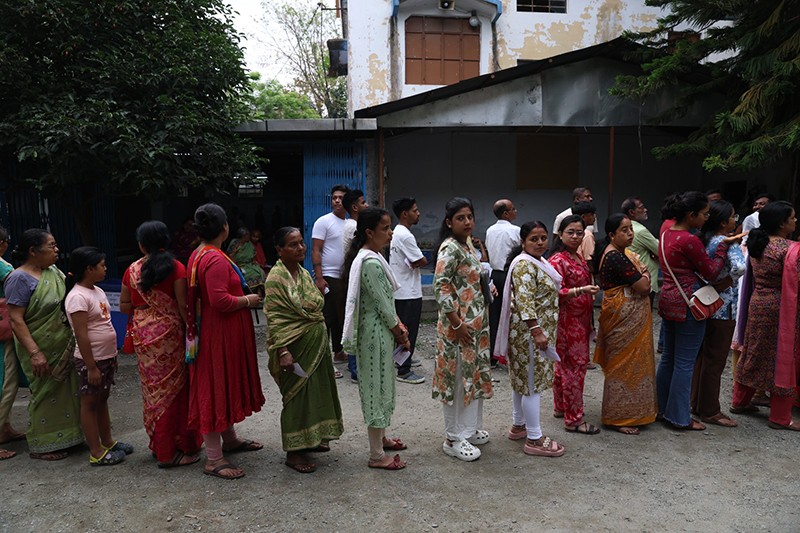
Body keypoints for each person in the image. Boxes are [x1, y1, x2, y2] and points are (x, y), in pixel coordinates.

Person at [186, 203, 265, 479]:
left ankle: (229, 439)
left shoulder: (200, 253)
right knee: (215, 387)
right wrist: (249, 300)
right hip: (218, 334)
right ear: (224, 228)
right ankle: (213, 458)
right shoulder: (216, 259)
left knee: (223, 385)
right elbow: (219, 300)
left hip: (213, 331)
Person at [120, 221, 202, 468]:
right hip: (170, 335)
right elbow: (182, 307)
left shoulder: (131, 270)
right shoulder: (177, 268)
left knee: (153, 393)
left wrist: (146, 309)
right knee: (176, 392)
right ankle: (175, 450)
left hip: (144, 337)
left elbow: (124, 306)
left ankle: (160, 447)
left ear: (141, 244)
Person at [657, 192, 740, 431]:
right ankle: (680, 417)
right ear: (691, 215)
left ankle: (663, 409)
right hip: (690, 304)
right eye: (704, 214)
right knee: (685, 362)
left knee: (669, 359)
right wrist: (724, 246)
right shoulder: (689, 240)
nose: (706, 218)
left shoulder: (666, 234)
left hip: (669, 300)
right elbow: (713, 272)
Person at [265, 227, 344, 473]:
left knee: (317, 392)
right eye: (293, 245)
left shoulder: (301, 272)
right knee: (297, 396)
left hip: (316, 346)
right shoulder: (276, 279)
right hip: (295, 349)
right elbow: (276, 319)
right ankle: (295, 452)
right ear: (279, 250)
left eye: (301, 243)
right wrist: (283, 352)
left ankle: (314, 437)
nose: (300, 248)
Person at [342, 208, 410, 470]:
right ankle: (375, 454)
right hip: (375, 333)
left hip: (379, 331)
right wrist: (400, 332)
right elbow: (383, 305)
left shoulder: (373, 258)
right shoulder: (370, 263)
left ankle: (381, 439)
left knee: (382, 383)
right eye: (385, 228)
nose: (390, 232)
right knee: (375, 388)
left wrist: (396, 327)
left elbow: (385, 303)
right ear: (370, 232)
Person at [6, 229, 82, 460]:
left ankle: (70, 435)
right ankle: (42, 444)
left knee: (70, 390)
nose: (56, 250)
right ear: (33, 250)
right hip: (39, 346)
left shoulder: (53, 272)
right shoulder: (19, 278)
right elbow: (15, 318)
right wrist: (35, 352)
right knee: (44, 392)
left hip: (62, 345)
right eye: (51, 246)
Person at [494, 221, 565, 457]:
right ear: (523, 242)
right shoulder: (525, 265)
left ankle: (519, 425)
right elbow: (524, 301)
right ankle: (534, 438)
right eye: (534, 239)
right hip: (530, 334)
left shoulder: (540, 262)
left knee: (523, 381)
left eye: (543, 238)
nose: (540, 243)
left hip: (531, 332)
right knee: (532, 384)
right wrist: (537, 332)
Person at [433, 198, 493, 462]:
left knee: (473, 375)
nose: (467, 222)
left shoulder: (467, 244)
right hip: (459, 327)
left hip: (476, 326)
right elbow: (441, 286)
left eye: (469, 216)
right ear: (449, 222)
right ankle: (453, 438)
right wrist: (456, 323)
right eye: (460, 218)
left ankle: (468, 429)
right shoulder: (449, 248)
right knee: (458, 378)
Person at [732, 201, 800, 430]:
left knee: (754, 351)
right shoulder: (789, 249)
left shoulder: (757, 243)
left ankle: (739, 401)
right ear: (782, 223)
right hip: (782, 307)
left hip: (758, 301)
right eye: (792, 218)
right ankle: (781, 416)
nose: (795, 221)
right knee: (783, 356)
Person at [64, 247, 133, 466]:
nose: (105, 268)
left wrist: (112, 356)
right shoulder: (77, 297)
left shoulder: (97, 291)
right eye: (102, 265)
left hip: (106, 357)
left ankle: (108, 442)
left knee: (102, 399)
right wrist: (91, 366)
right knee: (90, 403)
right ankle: (96, 451)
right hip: (91, 360)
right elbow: (82, 335)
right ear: (89, 268)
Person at [592, 214, 657, 435]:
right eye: (624, 230)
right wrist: (646, 272)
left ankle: (632, 412)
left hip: (625, 316)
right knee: (623, 365)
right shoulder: (617, 257)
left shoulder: (621, 253)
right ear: (612, 235)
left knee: (630, 364)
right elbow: (643, 288)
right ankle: (619, 417)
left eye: (631, 229)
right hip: (623, 318)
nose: (630, 234)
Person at [688, 201, 745, 428]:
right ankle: (710, 410)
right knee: (715, 361)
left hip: (705, 304)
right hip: (724, 306)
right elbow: (740, 267)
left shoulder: (705, 239)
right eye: (733, 217)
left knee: (701, 357)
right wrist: (729, 281)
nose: (736, 221)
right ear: (724, 222)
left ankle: (696, 403)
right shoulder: (727, 241)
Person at [548, 215, 601, 434]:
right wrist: (581, 290)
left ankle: (562, 407)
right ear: (560, 234)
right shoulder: (557, 260)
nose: (576, 236)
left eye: (580, 232)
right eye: (570, 232)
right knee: (574, 369)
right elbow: (552, 293)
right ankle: (574, 419)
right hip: (567, 323)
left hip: (580, 321)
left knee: (564, 367)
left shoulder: (577, 257)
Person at [312, 185, 349, 372]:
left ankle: (339, 352)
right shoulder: (323, 221)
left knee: (340, 316)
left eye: (340, 197)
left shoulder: (350, 224)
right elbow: (316, 249)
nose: (336, 200)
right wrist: (319, 277)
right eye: (334, 197)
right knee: (326, 317)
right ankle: (323, 360)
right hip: (328, 275)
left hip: (344, 277)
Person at [389, 197, 426, 384]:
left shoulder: (397, 232)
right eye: (415, 210)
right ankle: (404, 369)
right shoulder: (405, 235)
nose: (418, 213)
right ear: (405, 214)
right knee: (408, 331)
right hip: (408, 291)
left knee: (402, 330)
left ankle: (402, 359)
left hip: (401, 289)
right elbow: (422, 260)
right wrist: (420, 261)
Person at [485, 198, 520, 363]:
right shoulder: (516, 231)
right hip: (509, 274)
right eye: (513, 209)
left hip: (494, 274)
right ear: (506, 213)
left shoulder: (490, 230)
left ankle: (493, 354)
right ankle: (508, 353)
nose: (516, 211)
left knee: (494, 315)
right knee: (512, 314)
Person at [0, 226, 24, 460]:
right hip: (3, 333)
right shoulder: (3, 266)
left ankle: (5, 427)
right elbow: (20, 284)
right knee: (6, 382)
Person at [341, 188, 368, 382]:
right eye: (363, 202)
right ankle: (355, 367)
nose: (366, 205)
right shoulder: (352, 226)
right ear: (354, 207)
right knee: (354, 319)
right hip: (354, 274)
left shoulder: (354, 224)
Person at [621, 197, 660, 304]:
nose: (645, 210)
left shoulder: (624, 228)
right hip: (645, 280)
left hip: (631, 279)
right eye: (641, 207)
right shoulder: (641, 231)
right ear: (632, 212)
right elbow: (660, 250)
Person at [226, 227, 267, 295]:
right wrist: (236, 266)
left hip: (249, 264)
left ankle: (259, 294)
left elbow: (253, 256)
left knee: (260, 271)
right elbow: (230, 256)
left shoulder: (249, 244)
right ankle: (251, 293)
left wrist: (255, 262)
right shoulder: (235, 243)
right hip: (239, 265)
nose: (249, 236)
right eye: (248, 235)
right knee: (252, 274)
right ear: (244, 236)